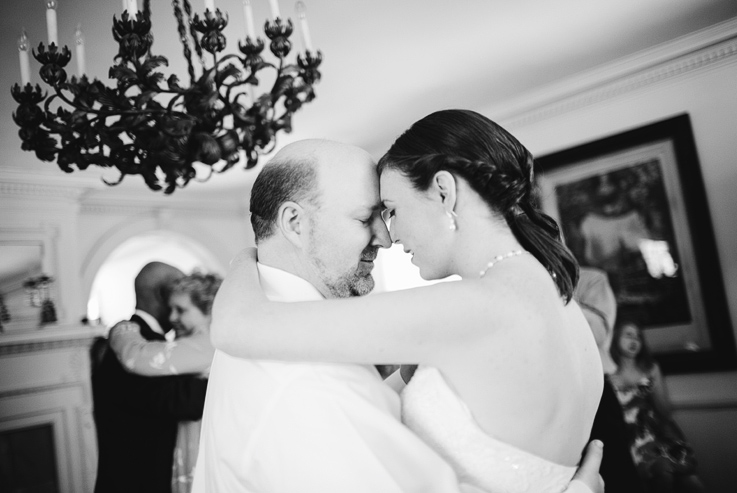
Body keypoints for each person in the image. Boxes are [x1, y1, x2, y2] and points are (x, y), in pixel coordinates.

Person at [209, 110, 604, 492]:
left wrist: (245, 258)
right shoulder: (561, 300)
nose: (390, 237)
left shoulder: (466, 308)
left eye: (392, 211)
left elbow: (234, 326)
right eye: (373, 217)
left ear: (444, 191)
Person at [91, 262, 209, 493]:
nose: (176, 316)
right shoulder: (135, 342)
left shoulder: (142, 339)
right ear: (163, 294)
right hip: (137, 482)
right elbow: (181, 400)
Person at [609, 319, 705, 493]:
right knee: (662, 477)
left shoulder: (650, 368)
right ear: (615, 338)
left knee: (692, 482)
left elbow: (665, 411)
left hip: (654, 434)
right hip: (624, 440)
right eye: (628, 335)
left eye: (638, 337)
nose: (635, 340)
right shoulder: (607, 372)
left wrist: (652, 387)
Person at [575, 267, 646, 493]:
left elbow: (597, 333)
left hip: (593, 384)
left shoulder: (592, 280)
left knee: (615, 470)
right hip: (553, 390)